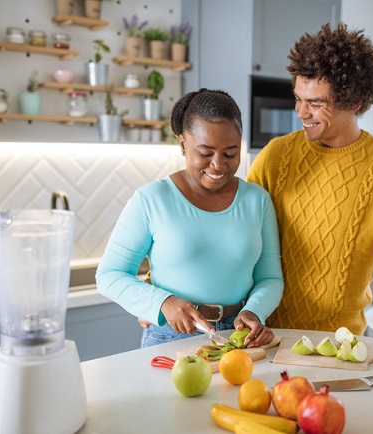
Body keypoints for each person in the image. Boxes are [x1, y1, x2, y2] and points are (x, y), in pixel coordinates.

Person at [246, 23, 373, 335]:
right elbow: (235, 231)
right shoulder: (276, 156)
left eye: (315, 103)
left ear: (354, 102)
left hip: (340, 348)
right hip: (265, 338)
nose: (301, 112)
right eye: (298, 98)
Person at [96, 88, 284, 348]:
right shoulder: (152, 199)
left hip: (239, 336)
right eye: (205, 153)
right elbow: (109, 274)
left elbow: (270, 278)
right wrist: (163, 303)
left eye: (230, 153)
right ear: (183, 145)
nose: (218, 165)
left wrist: (253, 312)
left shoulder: (257, 200)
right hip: (170, 335)